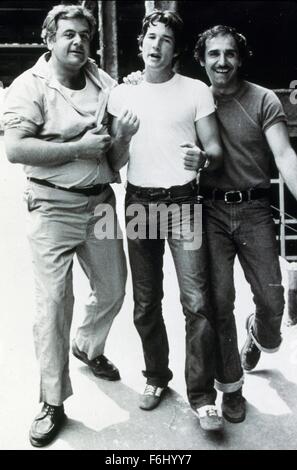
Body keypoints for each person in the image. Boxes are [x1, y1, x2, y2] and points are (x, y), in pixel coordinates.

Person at [3, 4, 137, 447]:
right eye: (67, 34)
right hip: (52, 207)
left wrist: (121, 137)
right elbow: (16, 150)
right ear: (49, 39)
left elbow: (116, 148)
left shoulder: (105, 83)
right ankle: (52, 400)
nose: (78, 41)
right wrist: (79, 147)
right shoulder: (28, 87)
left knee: (114, 289)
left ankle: (88, 346)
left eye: (84, 34)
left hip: (99, 204)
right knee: (54, 303)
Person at [108, 10, 224, 432]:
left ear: (176, 51)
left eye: (166, 40)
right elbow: (113, 162)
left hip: (183, 203)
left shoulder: (194, 90)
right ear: (141, 42)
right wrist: (121, 137)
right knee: (145, 300)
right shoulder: (121, 96)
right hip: (139, 201)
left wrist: (202, 159)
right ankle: (156, 377)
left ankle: (202, 396)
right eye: (150, 37)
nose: (156, 45)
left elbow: (213, 148)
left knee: (196, 302)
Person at [194, 25, 297, 423]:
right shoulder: (191, 99)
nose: (223, 62)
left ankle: (258, 332)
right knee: (220, 302)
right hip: (210, 211)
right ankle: (231, 389)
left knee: (273, 303)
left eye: (230, 53)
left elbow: (285, 155)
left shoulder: (264, 99)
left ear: (241, 57)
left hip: (254, 210)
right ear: (202, 60)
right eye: (214, 54)